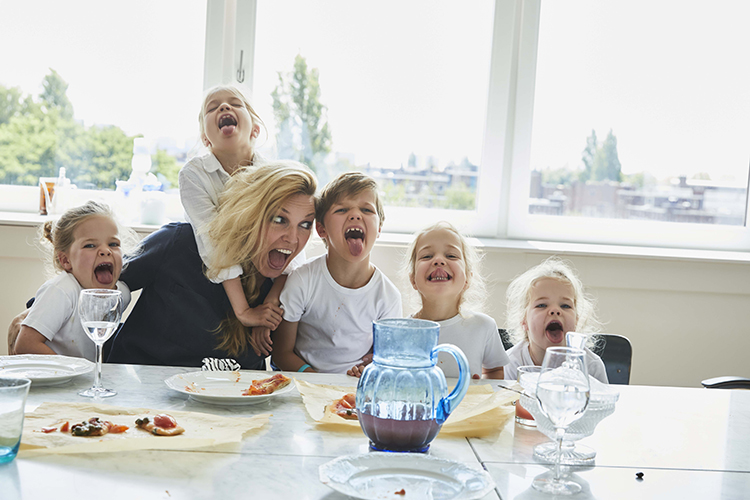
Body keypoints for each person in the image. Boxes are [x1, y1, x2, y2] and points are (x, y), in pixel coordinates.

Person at [107, 161, 316, 369]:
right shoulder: (180, 242)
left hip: (235, 398)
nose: (293, 238)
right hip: (138, 392)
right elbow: (102, 289)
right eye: (279, 219)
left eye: (305, 225)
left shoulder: (287, 287)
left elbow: (286, 362)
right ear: (248, 215)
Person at [178, 85, 296, 339]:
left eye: (235, 103)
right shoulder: (193, 175)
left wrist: (269, 307)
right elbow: (213, 240)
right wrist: (244, 311)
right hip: (209, 282)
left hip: (265, 283)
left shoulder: (274, 176)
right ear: (205, 138)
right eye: (212, 107)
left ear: (255, 129)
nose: (224, 107)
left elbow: (294, 251)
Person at [271, 172, 402, 375]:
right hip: (304, 381)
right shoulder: (302, 281)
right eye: (342, 209)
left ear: (379, 229)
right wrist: (317, 382)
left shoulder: (388, 297)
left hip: (354, 387)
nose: (355, 215)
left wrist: (372, 366)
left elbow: (387, 360)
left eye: (367, 209)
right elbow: (281, 354)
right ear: (321, 230)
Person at [14, 201, 134, 361]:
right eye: (90, 245)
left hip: (84, 380)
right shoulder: (61, 291)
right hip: (55, 378)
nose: (105, 251)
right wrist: (75, 370)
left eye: (113, 244)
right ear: (66, 260)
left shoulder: (122, 294)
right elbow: (24, 345)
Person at [406, 221, 508, 380]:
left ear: (467, 278)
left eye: (451, 255)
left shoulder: (484, 327)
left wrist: (480, 386)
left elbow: (494, 371)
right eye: (427, 256)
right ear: (413, 279)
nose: (438, 260)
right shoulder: (401, 332)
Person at [503, 257, 608, 383]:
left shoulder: (590, 366)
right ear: (523, 320)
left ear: (576, 320)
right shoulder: (511, 363)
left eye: (565, 306)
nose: (555, 311)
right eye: (542, 305)